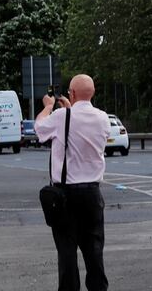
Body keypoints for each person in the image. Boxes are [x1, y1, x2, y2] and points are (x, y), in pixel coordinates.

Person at [35, 74, 109, 291]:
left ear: (73, 93)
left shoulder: (60, 116)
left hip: (65, 195)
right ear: (92, 93)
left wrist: (48, 107)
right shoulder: (103, 118)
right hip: (92, 195)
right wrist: (70, 108)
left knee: (67, 252)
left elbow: (39, 129)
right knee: (94, 251)